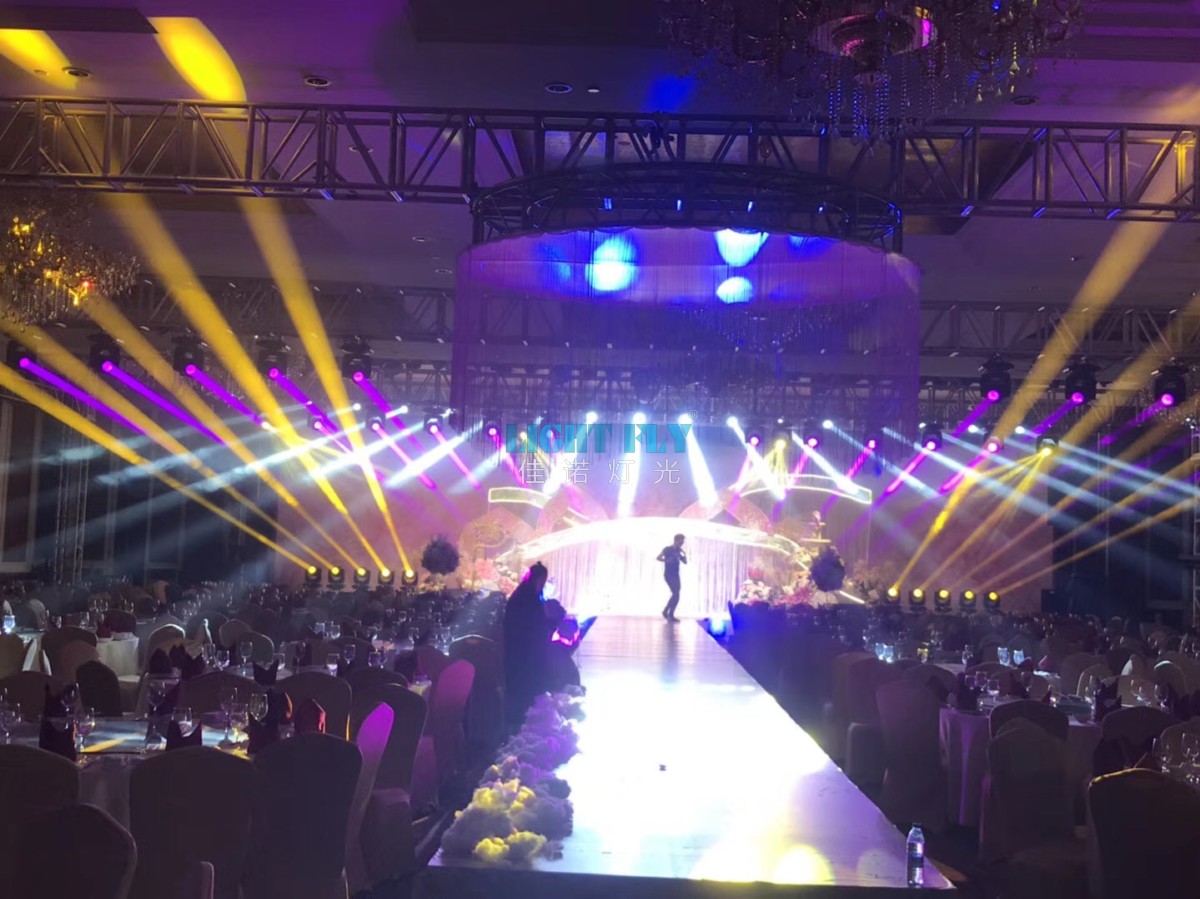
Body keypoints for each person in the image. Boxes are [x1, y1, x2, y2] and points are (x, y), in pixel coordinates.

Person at [503, 562, 555, 728]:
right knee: (523, 682)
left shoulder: (526, 592)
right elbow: (529, 621)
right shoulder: (527, 596)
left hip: (524, 645)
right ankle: (521, 717)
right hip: (522, 647)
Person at [657, 534, 687, 622]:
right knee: (676, 594)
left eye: (682, 542)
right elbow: (658, 557)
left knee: (676, 595)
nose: (681, 544)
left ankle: (668, 613)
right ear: (675, 540)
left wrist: (684, 554)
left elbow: (685, 562)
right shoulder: (668, 549)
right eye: (680, 542)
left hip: (676, 575)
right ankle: (668, 613)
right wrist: (666, 560)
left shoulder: (678, 551)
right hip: (669, 575)